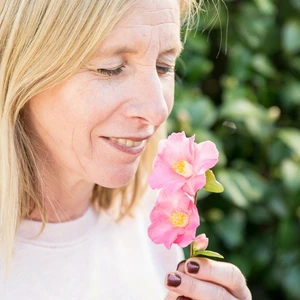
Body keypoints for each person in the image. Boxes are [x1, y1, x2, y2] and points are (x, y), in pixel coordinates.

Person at [0, 0, 252, 299]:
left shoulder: (152, 210)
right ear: (21, 71)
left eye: (164, 66)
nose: (158, 111)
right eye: (111, 69)